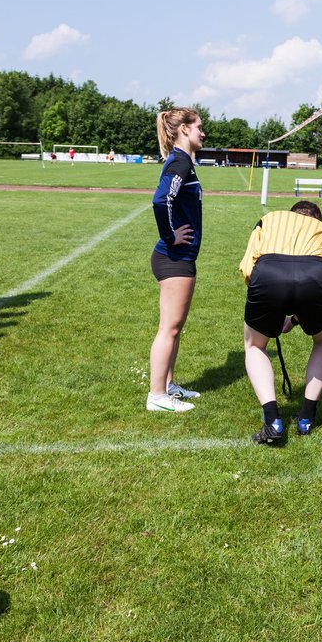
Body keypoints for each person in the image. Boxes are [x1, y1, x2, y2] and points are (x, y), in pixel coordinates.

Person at [238, 201, 322, 444]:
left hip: (268, 273)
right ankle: (306, 417)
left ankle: (272, 420)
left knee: (255, 346)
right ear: (318, 220)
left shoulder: (269, 219)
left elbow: (248, 267)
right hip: (316, 275)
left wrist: (269, 304)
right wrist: (294, 318)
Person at [147, 107, 206, 413]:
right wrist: (171, 236)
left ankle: (169, 386)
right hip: (174, 258)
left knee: (175, 327)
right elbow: (161, 199)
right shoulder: (180, 162)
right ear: (183, 129)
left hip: (181, 258)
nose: (202, 132)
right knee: (169, 327)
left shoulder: (184, 162)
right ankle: (157, 396)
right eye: (198, 127)